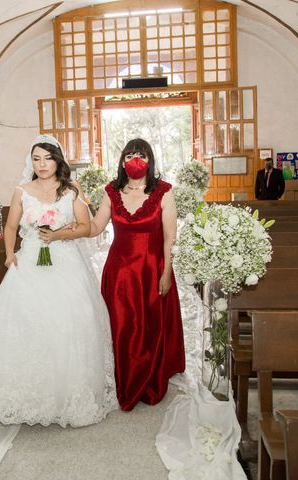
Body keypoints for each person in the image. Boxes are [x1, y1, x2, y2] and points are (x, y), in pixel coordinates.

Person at [0, 135, 117, 427]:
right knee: (25, 323)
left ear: (57, 160)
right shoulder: (21, 191)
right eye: (36, 159)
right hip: (31, 260)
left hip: (65, 261)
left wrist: (60, 234)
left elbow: (87, 226)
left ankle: (66, 394)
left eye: (48, 158)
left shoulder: (70, 189)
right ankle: (28, 394)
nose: (42, 164)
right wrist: (10, 254)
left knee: (69, 322)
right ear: (31, 161)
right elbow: (11, 226)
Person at [90, 138, 185, 411]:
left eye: (141, 155)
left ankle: (150, 377)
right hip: (119, 272)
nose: (135, 160)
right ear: (122, 161)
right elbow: (96, 226)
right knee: (121, 327)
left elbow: (169, 238)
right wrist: (72, 222)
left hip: (152, 269)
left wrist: (166, 272)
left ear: (150, 161)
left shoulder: (164, 192)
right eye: (130, 155)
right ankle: (124, 379)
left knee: (150, 327)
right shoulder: (111, 192)